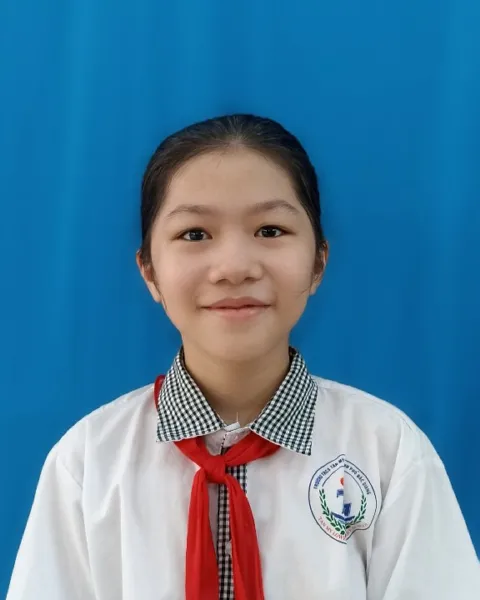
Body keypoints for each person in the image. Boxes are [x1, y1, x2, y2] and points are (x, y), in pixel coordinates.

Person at [7, 114, 479, 600]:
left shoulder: (388, 453)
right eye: (195, 234)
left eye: (270, 230)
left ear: (318, 262)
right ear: (149, 271)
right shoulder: (88, 464)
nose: (234, 267)